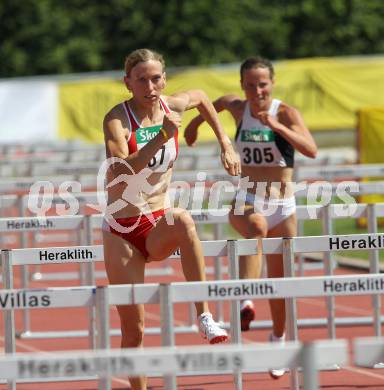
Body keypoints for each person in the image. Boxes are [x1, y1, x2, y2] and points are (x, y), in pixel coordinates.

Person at [102, 48, 241, 390]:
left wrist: (225, 143)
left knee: (182, 219)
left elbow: (203, 97)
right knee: (134, 330)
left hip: (157, 222)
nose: (150, 86)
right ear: (128, 83)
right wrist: (163, 136)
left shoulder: (173, 105)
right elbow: (121, 169)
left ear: (164, 79)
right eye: (141, 80)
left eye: (156, 78)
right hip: (123, 230)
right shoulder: (117, 120)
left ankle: (204, 315)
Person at [184, 56, 317, 379]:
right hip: (248, 197)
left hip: (283, 206)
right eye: (251, 84)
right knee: (255, 226)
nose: (257, 90)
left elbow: (311, 149)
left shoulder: (285, 112)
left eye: (263, 84)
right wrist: (194, 125)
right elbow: (211, 102)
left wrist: (278, 128)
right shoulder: (237, 107)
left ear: (272, 84)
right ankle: (245, 298)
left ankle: (278, 340)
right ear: (242, 86)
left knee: (281, 282)